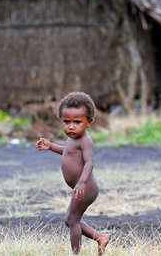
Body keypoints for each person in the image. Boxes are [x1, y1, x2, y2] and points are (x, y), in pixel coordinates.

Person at [36, 92, 109, 255]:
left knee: (72, 220)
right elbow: (67, 151)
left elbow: (89, 162)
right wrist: (51, 146)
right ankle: (99, 237)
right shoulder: (72, 139)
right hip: (82, 187)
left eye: (77, 122)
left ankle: (75, 253)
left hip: (85, 187)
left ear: (89, 122)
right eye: (66, 122)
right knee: (70, 220)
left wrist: (82, 182)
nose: (71, 126)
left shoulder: (85, 140)